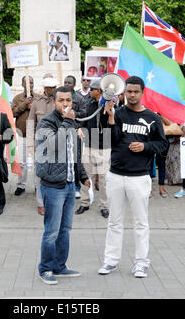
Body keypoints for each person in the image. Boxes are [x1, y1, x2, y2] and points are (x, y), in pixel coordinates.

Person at [98, 76, 168, 278]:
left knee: (140, 222)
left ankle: (141, 262)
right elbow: (108, 140)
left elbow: (162, 145)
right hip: (116, 175)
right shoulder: (117, 113)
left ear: (142, 92)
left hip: (139, 177)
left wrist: (145, 146)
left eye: (136, 91)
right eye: (128, 91)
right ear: (124, 92)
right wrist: (110, 118)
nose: (132, 95)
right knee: (114, 221)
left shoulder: (152, 118)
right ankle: (110, 260)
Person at [35, 86, 90, 285]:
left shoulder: (72, 122)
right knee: (51, 231)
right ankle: (45, 268)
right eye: (61, 101)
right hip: (52, 185)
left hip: (68, 184)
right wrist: (68, 122)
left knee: (65, 229)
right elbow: (53, 146)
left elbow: (74, 153)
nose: (66, 104)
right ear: (55, 102)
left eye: (68, 101)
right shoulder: (46, 122)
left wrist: (82, 175)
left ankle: (60, 266)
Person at [75, 79, 110, 218]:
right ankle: (85, 202)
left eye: (92, 89)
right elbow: (82, 118)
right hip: (89, 144)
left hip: (104, 145)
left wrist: (109, 107)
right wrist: (78, 127)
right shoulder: (88, 103)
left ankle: (104, 205)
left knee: (103, 178)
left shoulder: (109, 105)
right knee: (87, 175)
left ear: (99, 91)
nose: (89, 91)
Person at [27, 77, 59, 215]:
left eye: (54, 87)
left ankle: (53, 202)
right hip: (40, 144)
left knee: (55, 173)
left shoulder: (59, 102)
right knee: (39, 174)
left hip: (57, 143)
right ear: (45, 89)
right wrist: (30, 144)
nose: (53, 90)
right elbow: (30, 124)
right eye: (51, 88)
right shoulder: (36, 104)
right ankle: (41, 203)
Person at [12, 76, 41, 196]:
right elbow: (13, 112)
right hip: (22, 133)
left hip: (35, 134)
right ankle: (21, 185)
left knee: (36, 161)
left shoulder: (39, 98)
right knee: (23, 162)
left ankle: (37, 185)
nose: (30, 84)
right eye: (27, 82)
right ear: (22, 84)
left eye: (32, 82)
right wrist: (25, 104)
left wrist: (32, 106)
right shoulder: (17, 98)